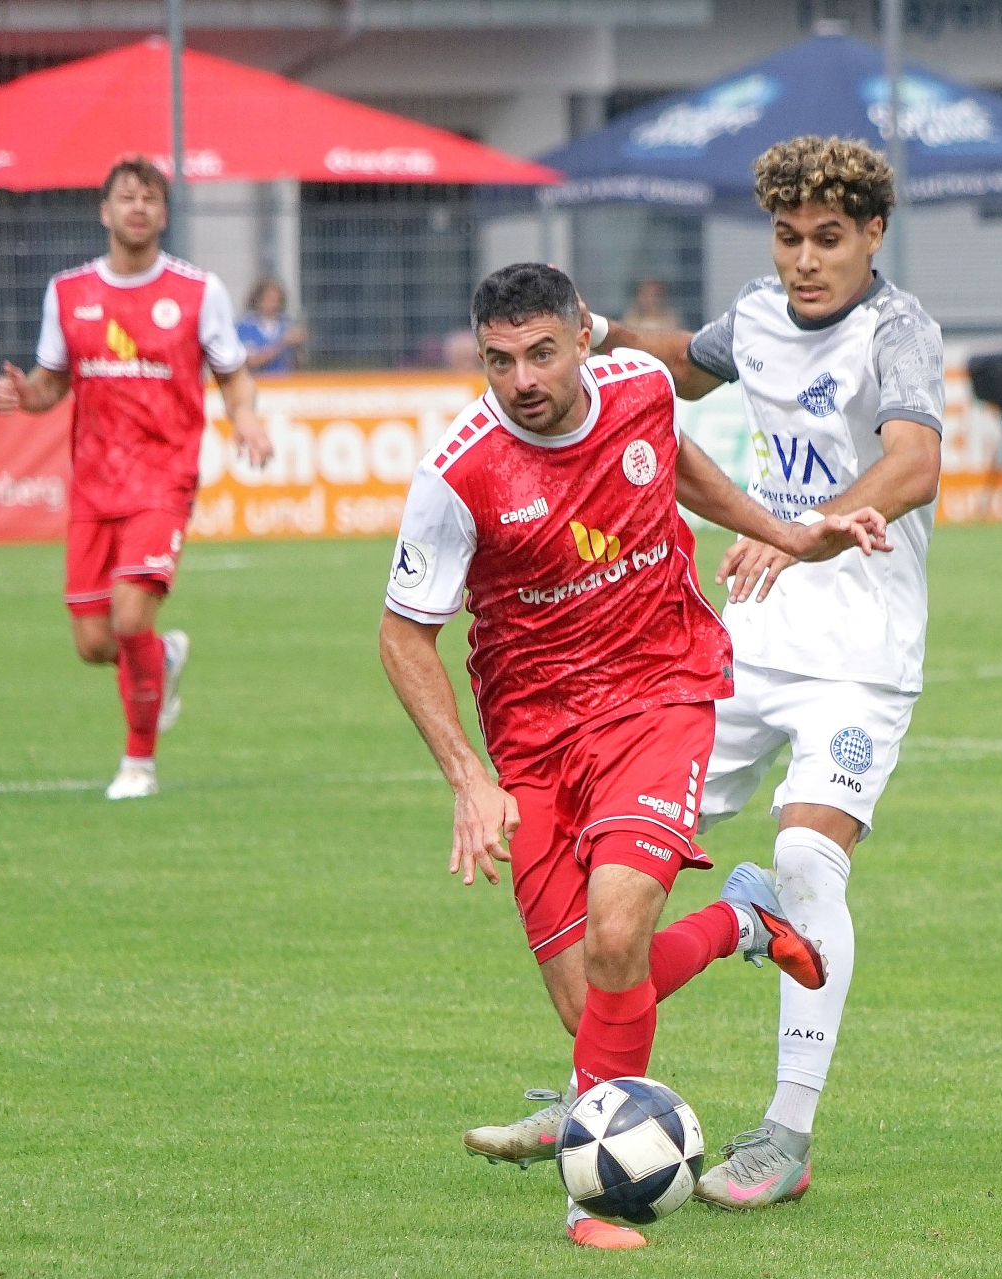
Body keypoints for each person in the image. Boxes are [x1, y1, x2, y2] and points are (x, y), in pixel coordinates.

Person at [380, 262, 893, 1250]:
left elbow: (677, 463)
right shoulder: (458, 474)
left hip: (659, 695)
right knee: (596, 1001)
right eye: (499, 361)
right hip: (532, 739)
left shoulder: (642, 387)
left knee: (618, 942)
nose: (523, 380)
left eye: (541, 353)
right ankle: (743, 918)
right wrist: (470, 778)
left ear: (583, 336)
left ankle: (592, 1200)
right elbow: (405, 635)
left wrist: (786, 533)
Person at [577, 134, 943, 1210]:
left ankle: (786, 1135)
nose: (805, 260)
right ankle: (593, 1090)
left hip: (860, 654)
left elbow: (915, 460)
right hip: (747, 637)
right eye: (788, 238)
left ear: (873, 234)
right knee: (621, 850)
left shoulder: (898, 329)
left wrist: (807, 528)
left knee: (807, 858)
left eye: (828, 238)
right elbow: (681, 366)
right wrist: (598, 335)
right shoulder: (756, 315)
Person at [0, 156, 271, 801]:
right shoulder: (68, 293)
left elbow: (233, 375)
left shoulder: (198, 292)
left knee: (128, 616)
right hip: (94, 483)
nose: (138, 207)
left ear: (164, 214)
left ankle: (138, 764)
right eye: (126, 197)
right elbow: (51, 383)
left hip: (163, 478)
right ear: (105, 211)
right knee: (94, 643)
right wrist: (25, 396)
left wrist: (247, 420)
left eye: (149, 198)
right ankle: (160, 659)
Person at [235, 278, 306, 373]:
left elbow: (297, 365)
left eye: (277, 300)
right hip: (258, 380)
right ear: (258, 299)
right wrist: (283, 343)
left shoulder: (285, 325)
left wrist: (298, 346)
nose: (273, 304)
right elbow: (252, 361)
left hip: (284, 380)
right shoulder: (246, 327)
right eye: (269, 299)